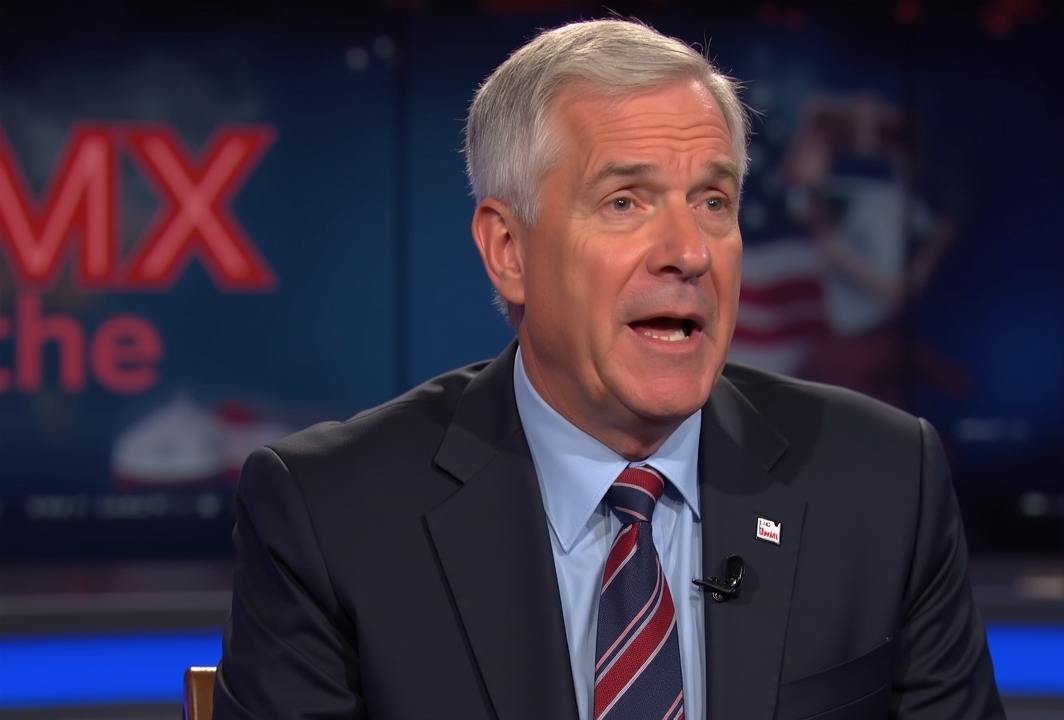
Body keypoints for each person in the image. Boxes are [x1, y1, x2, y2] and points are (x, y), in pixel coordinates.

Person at [213, 19, 1004, 720]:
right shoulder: (332, 519)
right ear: (508, 251)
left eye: (713, 201)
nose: (689, 252)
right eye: (625, 201)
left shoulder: (885, 483)